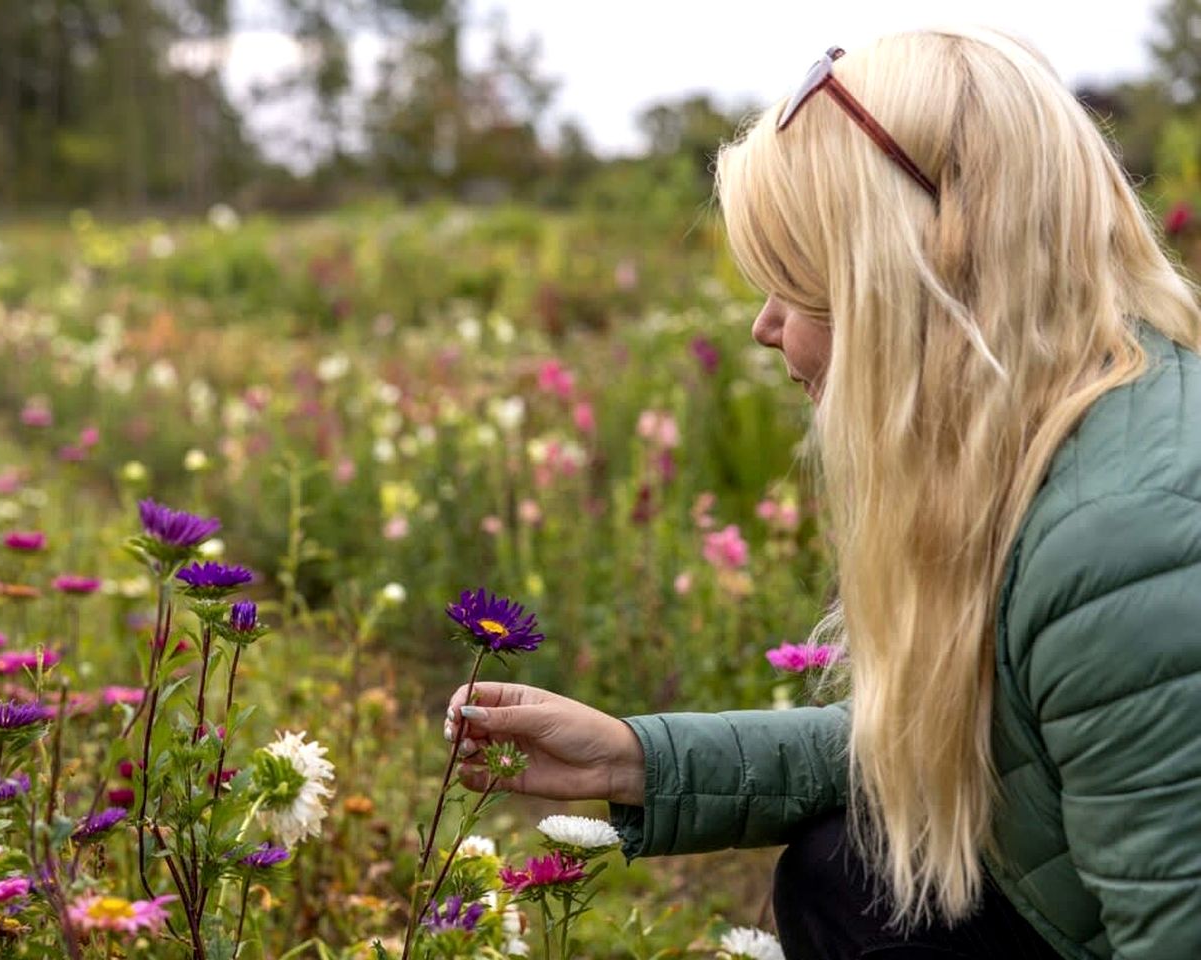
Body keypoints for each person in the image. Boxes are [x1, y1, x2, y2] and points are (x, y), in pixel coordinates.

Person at [445, 26, 1201, 960]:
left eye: (799, 285)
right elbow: (973, 744)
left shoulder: (1132, 543)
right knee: (852, 875)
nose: (764, 327)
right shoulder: (1050, 434)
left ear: (911, 288)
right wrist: (638, 759)